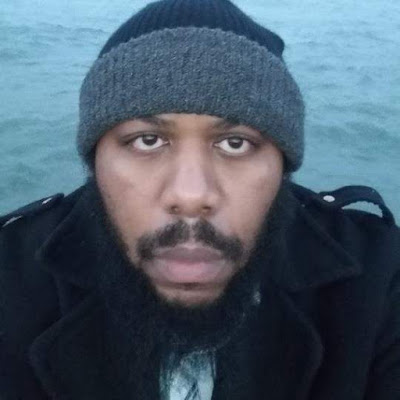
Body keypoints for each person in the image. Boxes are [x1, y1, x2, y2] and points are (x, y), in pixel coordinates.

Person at [0, 0, 399, 399]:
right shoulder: (10, 276)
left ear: (282, 165)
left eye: (236, 143)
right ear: (96, 162)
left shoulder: (379, 279)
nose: (191, 196)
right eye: (147, 140)